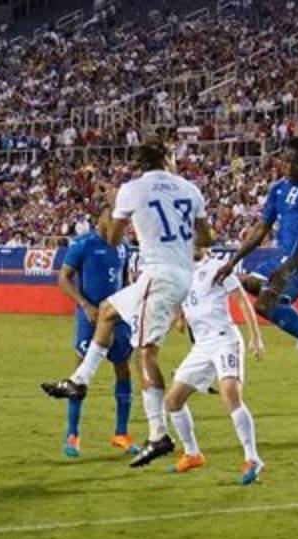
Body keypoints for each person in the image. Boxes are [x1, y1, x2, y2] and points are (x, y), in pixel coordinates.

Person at [41, 136, 214, 468]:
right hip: (178, 274)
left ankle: (158, 434)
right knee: (108, 310)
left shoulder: (132, 189)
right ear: (167, 160)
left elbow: (113, 237)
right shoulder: (190, 189)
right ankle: (79, 381)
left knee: (145, 354)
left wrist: (121, 209)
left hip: (158, 275)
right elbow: (207, 238)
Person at [212, 137, 298, 382]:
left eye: (296, 162)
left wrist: (288, 268)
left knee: (265, 306)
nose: (290, 166)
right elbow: (261, 228)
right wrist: (232, 261)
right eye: (286, 160)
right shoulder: (278, 189)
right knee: (247, 282)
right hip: (283, 258)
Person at [148, 247, 266, 483]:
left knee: (230, 394)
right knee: (173, 400)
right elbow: (181, 300)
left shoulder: (218, 267)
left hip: (224, 340)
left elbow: (241, 299)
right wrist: (178, 318)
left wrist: (256, 336)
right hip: (202, 346)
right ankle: (192, 454)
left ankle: (252, 458)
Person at [55, 207, 136, 458]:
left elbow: (126, 279)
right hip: (90, 317)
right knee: (80, 373)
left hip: (118, 317)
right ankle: (72, 434)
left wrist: (131, 306)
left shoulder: (123, 246)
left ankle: (121, 433)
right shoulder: (83, 244)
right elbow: (63, 278)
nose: (119, 229)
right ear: (102, 220)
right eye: (116, 223)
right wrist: (84, 305)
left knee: (123, 368)